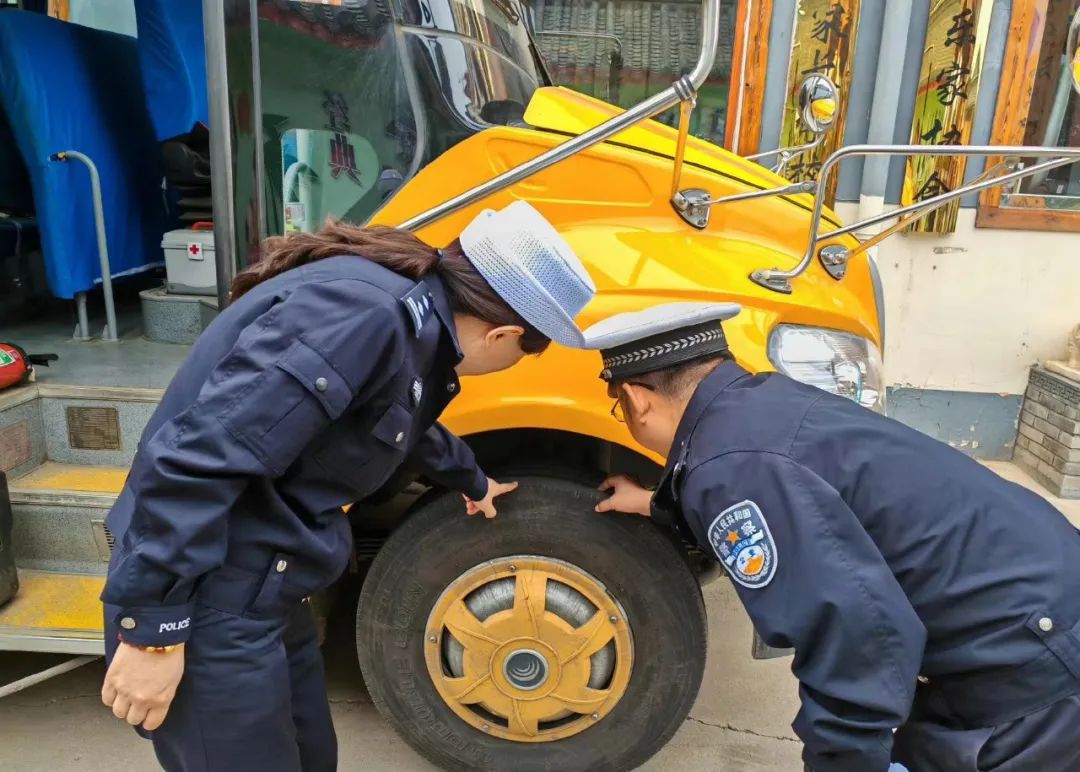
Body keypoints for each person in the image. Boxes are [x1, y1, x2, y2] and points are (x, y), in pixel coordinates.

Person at [99, 201, 598, 772]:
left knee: (313, 757)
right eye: (520, 355)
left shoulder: (407, 311)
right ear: (503, 334)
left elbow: (390, 415)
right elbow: (197, 460)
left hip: (266, 583)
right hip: (206, 589)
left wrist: (472, 478)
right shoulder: (364, 316)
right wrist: (153, 635)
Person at [588, 302, 1080, 772]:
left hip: (1036, 666)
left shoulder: (732, 470)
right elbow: (793, 494)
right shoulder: (764, 401)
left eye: (621, 411)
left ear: (636, 399)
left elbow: (855, 643)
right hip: (1037, 596)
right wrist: (658, 503)